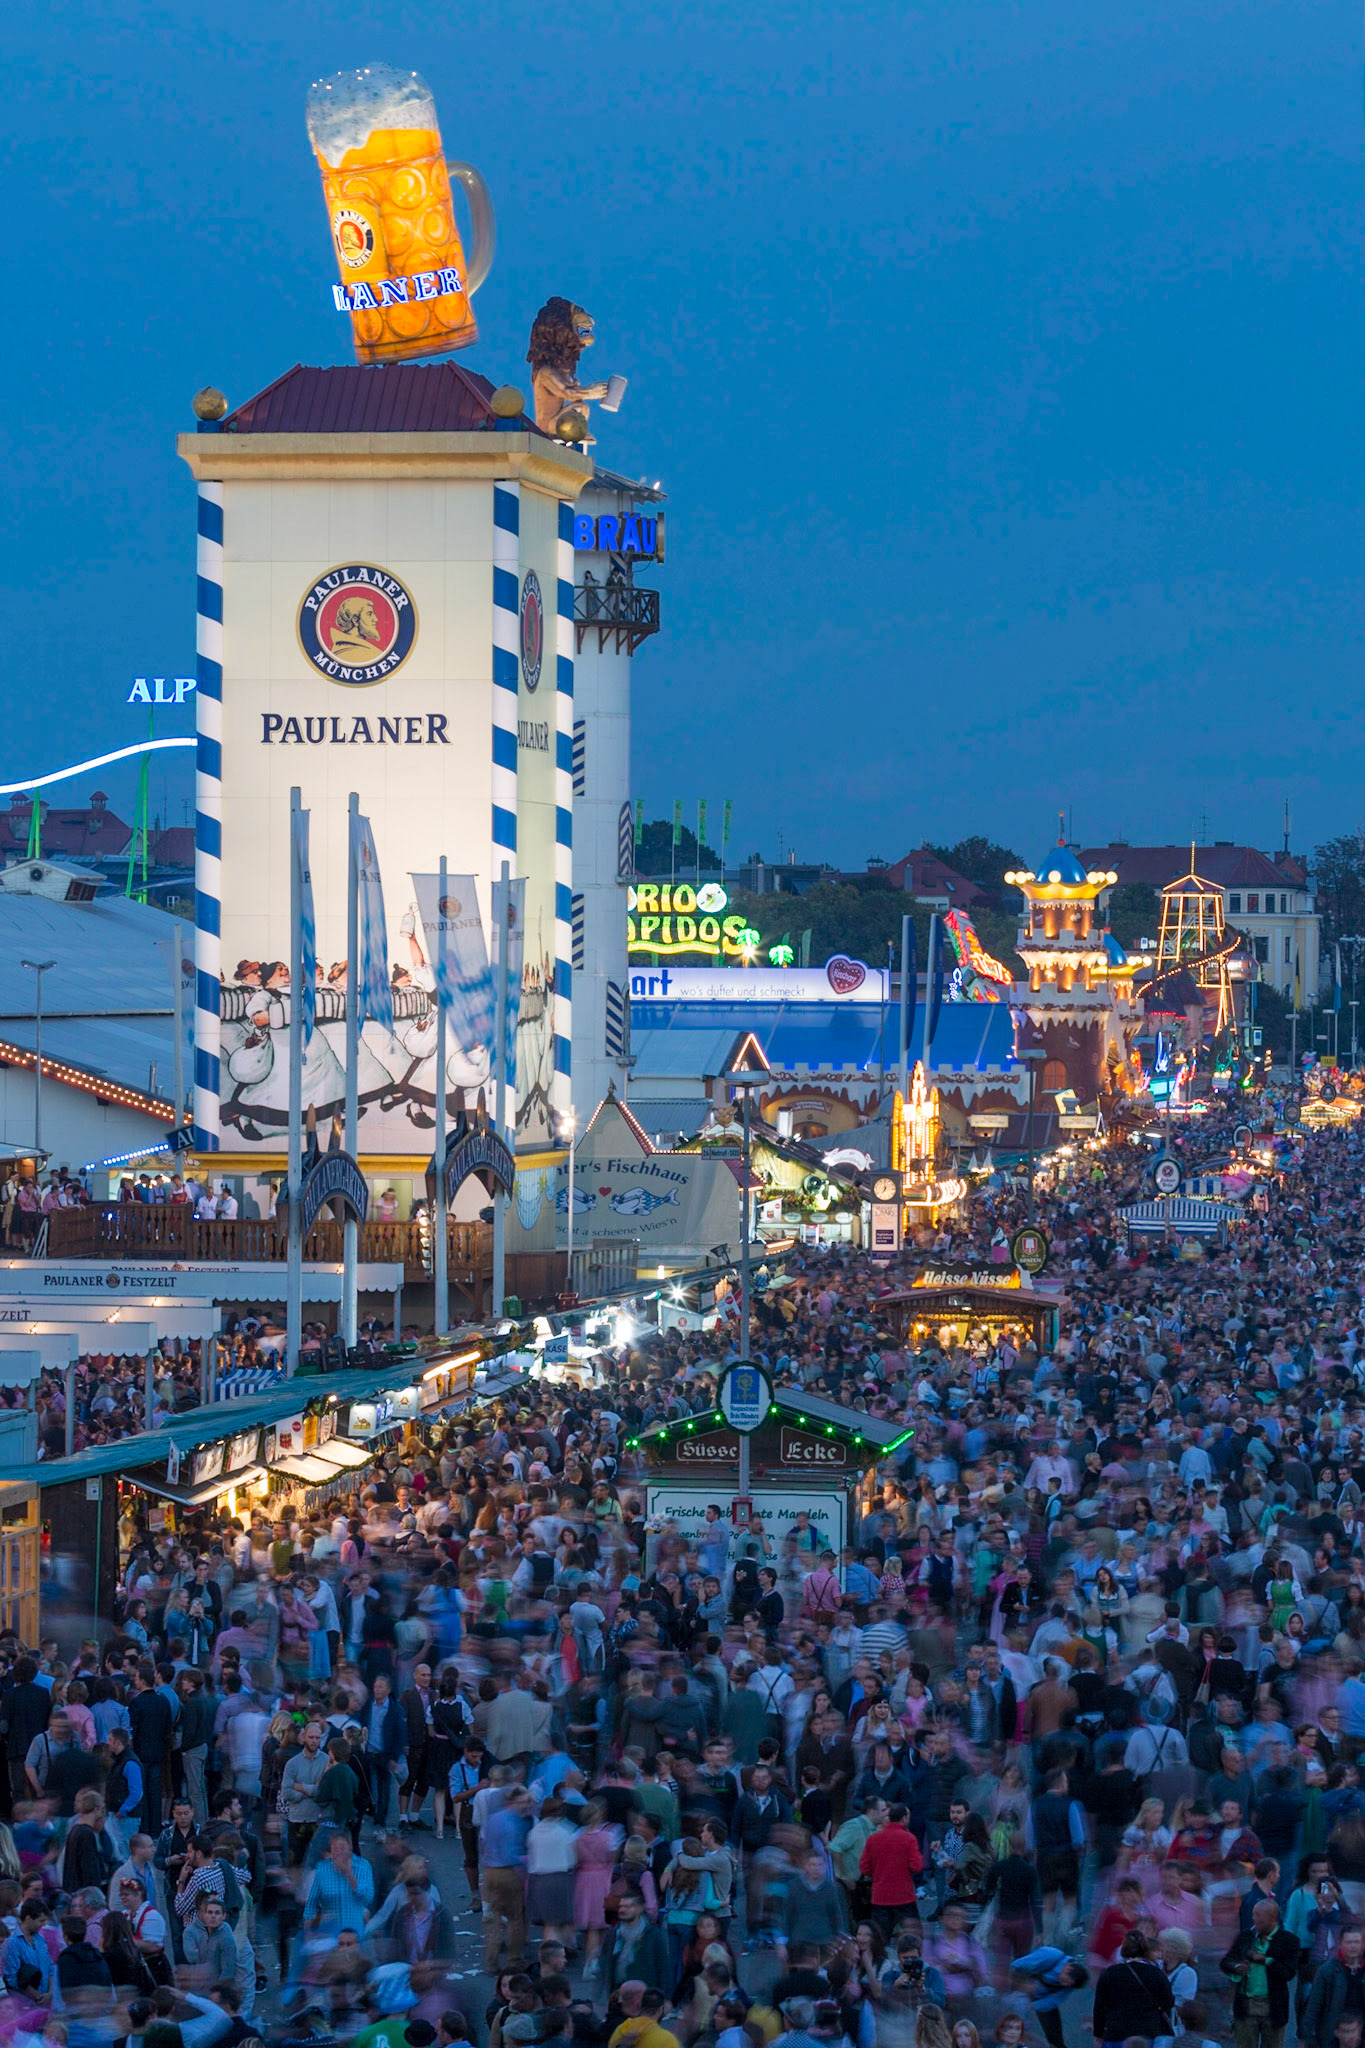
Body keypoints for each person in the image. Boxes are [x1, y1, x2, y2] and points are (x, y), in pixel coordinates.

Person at [1221, 1898, 1301, 2048]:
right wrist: (1236, 1967)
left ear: (1273, 1918)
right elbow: (1225, 1962)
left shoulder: (1288, 1941)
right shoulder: (1246, 1937)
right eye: (1253, 1914)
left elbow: (1288, 1973)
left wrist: (1265, 1960)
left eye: (1259, 1916)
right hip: (1246, 2008)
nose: (1254, 1919)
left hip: (1273, 2009)